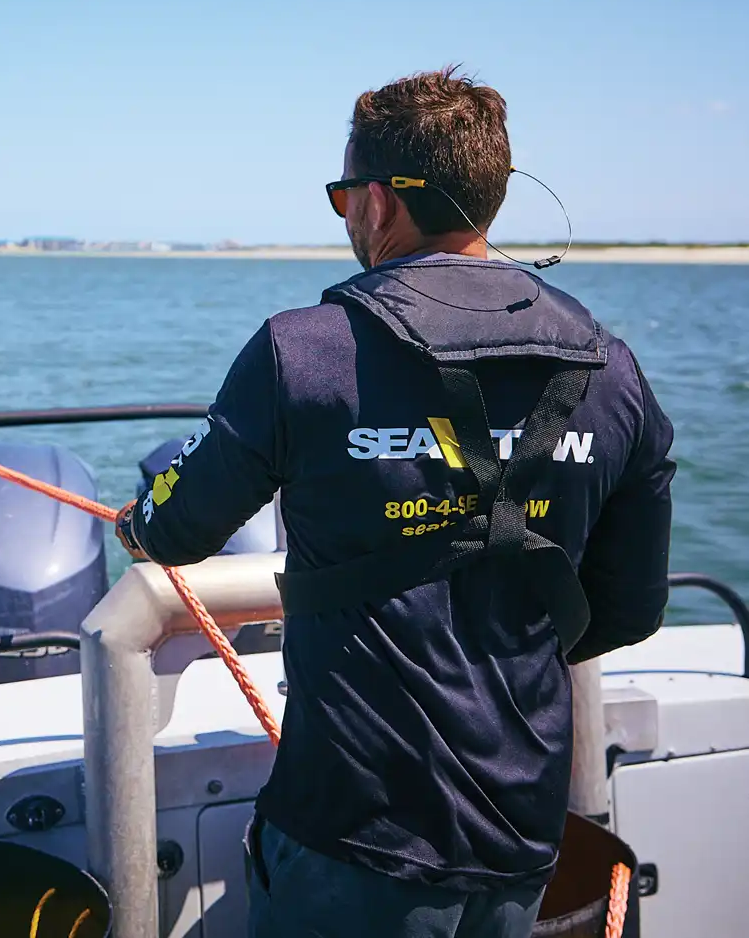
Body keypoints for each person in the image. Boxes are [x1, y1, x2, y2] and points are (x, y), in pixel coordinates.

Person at [113, 67, 674, 938]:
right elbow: (630, 608)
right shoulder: (612, 368)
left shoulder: (302, 354)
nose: (346, 218)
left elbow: (176, 529)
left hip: (351, 835)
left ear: (380, 204)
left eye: (342, 198)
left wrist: (135, 525)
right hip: (523, 833)